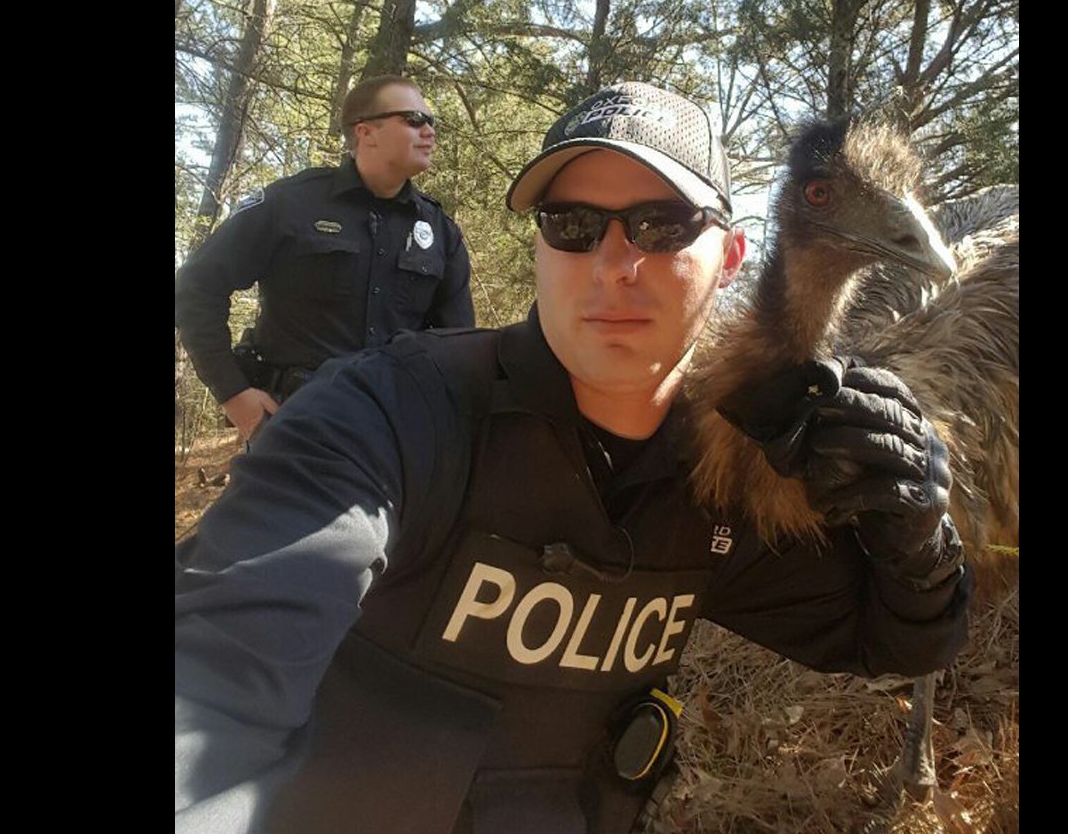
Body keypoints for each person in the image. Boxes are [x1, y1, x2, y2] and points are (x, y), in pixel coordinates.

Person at [175, 82, 969, 834]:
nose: (613, 265)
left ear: (730, 256)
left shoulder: (720, 477)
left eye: (660, 225)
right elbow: (219, 677)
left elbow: (890, 642)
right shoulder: (388, 414)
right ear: (540, 250)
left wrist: (915, 528)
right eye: (573, 225)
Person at [175, 74, 475, 440]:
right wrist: (232, 391)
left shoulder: (440, 231)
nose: (429, 131)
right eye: (414, 119)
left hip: (396, 436)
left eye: (432, 121)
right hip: (294, 426)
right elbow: (196, 286)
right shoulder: (290, 204)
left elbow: (456, 345)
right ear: (366, 132)